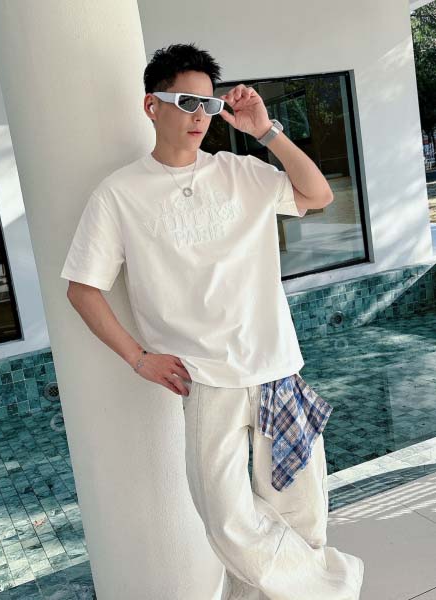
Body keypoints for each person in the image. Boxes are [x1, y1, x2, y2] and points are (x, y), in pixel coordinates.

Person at [60, 42, 364, 600]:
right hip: (204, 379)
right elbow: (83, 288)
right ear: (151, 106)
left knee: (301, 516)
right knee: (228, 525)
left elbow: (318, 194)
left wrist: (265, 131)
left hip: (275, 369)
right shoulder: (119, 194)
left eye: (208, 104)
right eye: (185, 102)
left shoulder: (242, 172)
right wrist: (138, 358)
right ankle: (336, 587)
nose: (199, 115)